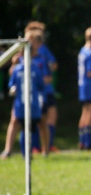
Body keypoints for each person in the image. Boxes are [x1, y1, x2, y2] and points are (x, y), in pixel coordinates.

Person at [2, 29, 49, 157]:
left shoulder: (37, 65)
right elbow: (12, 82)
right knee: (18, 124)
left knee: (38, 124)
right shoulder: (17, 67)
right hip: (20, 103)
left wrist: (41, 97)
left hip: (35, 102)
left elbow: (44, 82)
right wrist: (13, 87)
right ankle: (11, 151)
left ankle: (44, 151)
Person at [25, 21, 60, 152]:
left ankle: (47, 145)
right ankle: (36, 146)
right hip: (35, 91)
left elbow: (53, 65)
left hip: (47, 89)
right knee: (36, 118)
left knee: (49, 117)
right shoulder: (27, 51)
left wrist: (47, 72)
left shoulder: (43, 50)